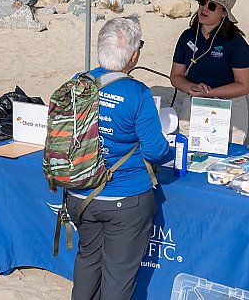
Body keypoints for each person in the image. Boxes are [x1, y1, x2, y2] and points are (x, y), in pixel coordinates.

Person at [64, 16, 173, 300]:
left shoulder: (78, 83)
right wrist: (171, 150)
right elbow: (155, 151)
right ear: (134, 55)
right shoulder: (136, 93)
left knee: (87, 260)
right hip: (125, 200)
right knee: (118, 275)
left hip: (80, 192)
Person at [170, 0, 249, 144]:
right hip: (194, 101)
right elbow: (176, 76)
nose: (204, 8)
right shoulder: (187, 36)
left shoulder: (236, 42)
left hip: (229, 106)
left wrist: (209, 93)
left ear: (224, 13)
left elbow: (244, 86)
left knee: (228, 159)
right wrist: (191, 88)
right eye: (202, 2)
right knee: (187, 154)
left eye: (212, 6)